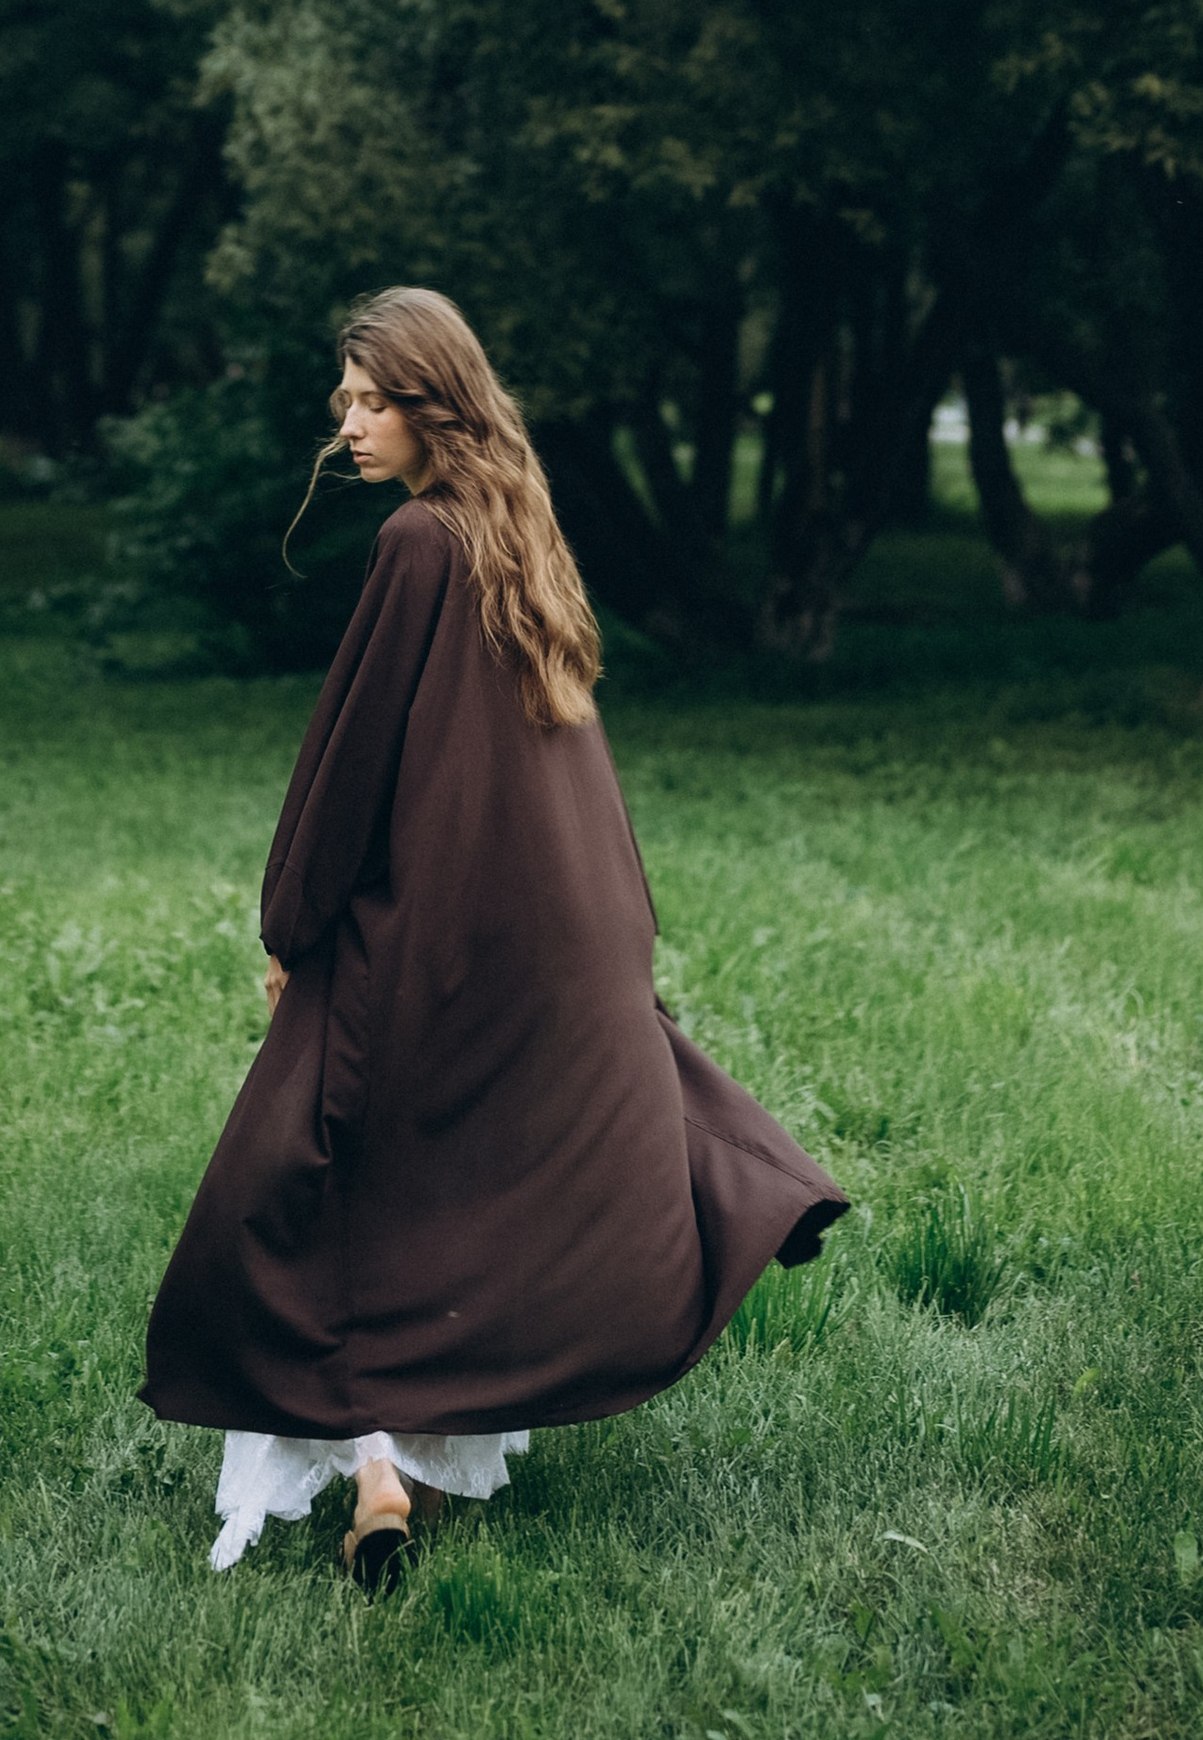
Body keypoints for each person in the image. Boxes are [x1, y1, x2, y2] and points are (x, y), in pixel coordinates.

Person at [142, 286, 845, 1589]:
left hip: (438, 938)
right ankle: (380, 1478)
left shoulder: (421, 542)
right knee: (441, 1202)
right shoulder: (518, 533)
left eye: (370, 399)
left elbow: (348, 762)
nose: (344, 421)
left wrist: (291, 919)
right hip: (548, 935)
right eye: (344, 398)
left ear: (434, 404)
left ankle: (373, 1464)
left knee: (319, 1189)